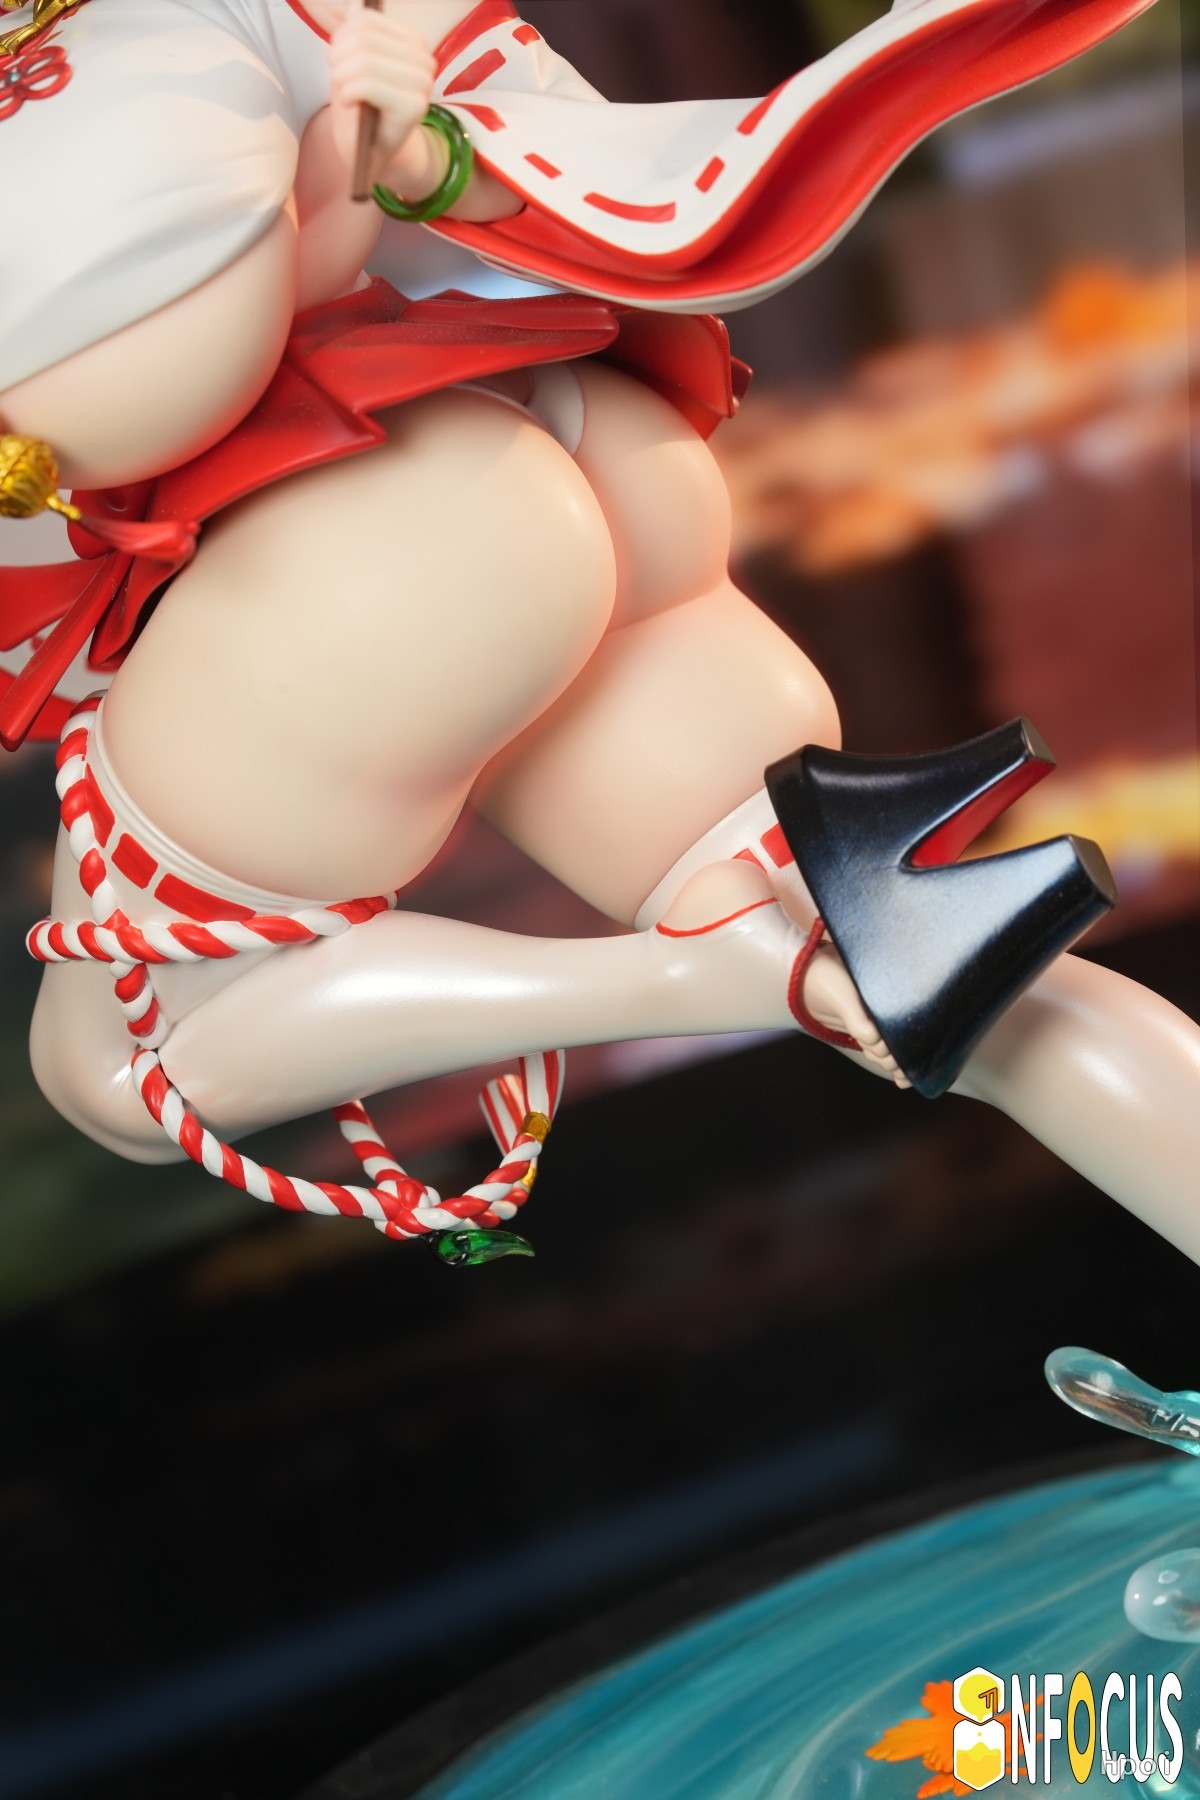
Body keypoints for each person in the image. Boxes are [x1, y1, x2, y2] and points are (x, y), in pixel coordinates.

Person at [4, 0, 1200, 1261]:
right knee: (912, 956)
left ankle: (708, 974)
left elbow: (127, 387)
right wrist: (414, 160)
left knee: (130, 1067)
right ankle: (799, 960)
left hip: (389, 538)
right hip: (565, 442)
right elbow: (463, 135)